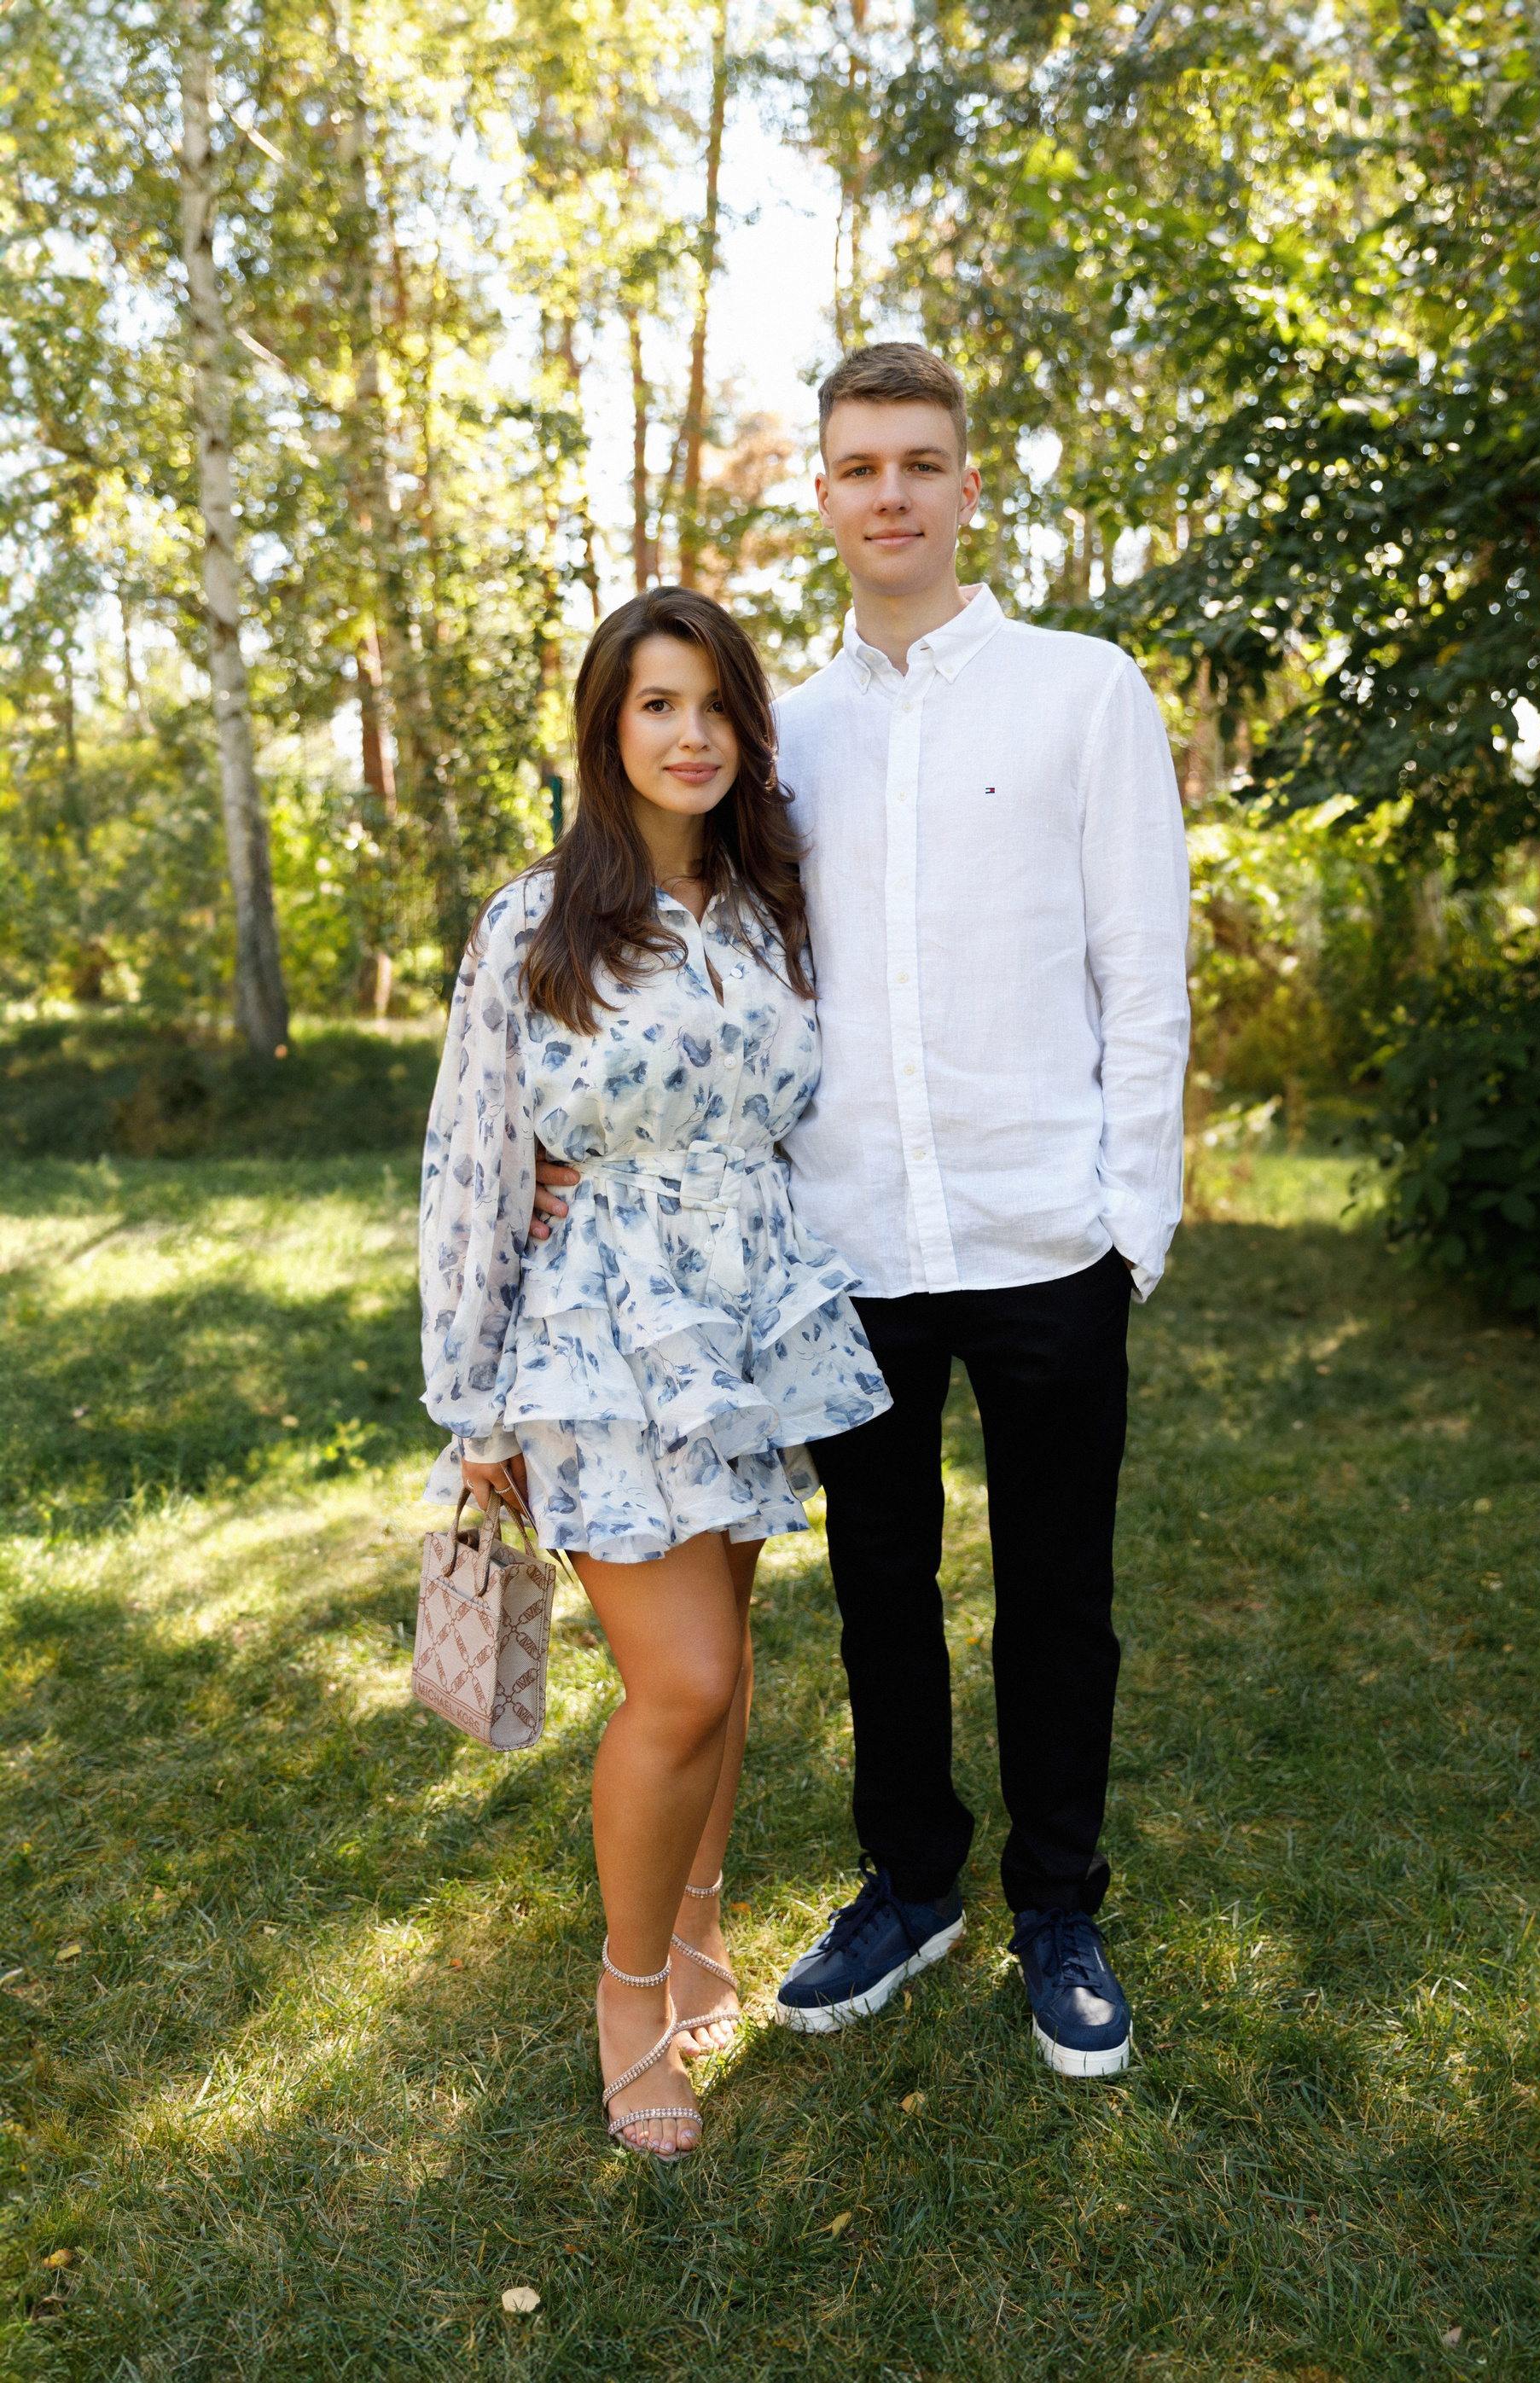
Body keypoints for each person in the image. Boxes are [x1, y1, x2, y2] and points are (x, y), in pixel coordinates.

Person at [532, 342, 1190, 2079]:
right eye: (858, 466)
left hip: (1048, 1232)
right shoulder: (779, 740)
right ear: (821, 494)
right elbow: (693, 947)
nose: (890, 492)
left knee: (1059, 1589)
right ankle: (911, 1879)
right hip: (842, 1253)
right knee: (880, 1585)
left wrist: (1135, 1220)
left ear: (969, 484)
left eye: (920, 461)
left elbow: (1145, 971)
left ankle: (1060, 1902)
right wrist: (566, 1132)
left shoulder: (1083, 691)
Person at [419, 585, 889, 2159]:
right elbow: (473, 1165)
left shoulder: (772, 907)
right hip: (594, 1333)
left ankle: (697, 1922)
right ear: (607, 730)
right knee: (680, 1680)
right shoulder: (535, 921)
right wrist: (469, 1404)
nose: (692, 736)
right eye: (657, 706)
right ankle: (630, 1996)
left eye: (715, 706)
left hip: (749, 1322)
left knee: (728, 1658)